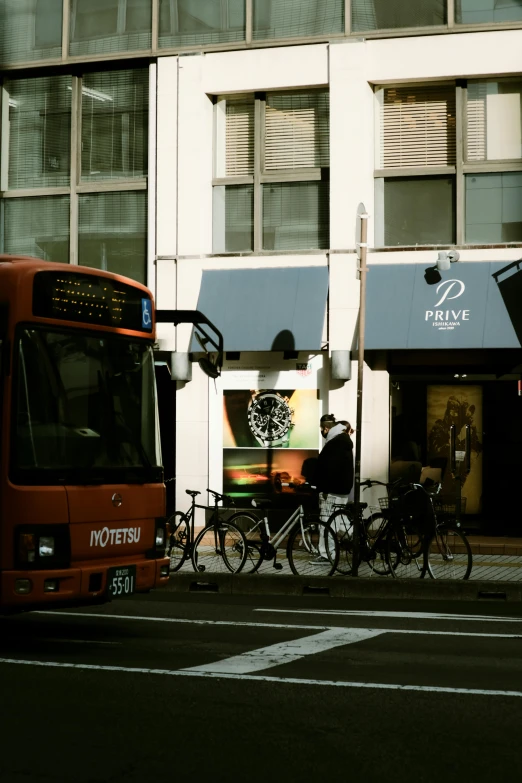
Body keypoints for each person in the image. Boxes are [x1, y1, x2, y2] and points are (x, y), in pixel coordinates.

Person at [315, 417, 354, 560]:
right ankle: (360, 540)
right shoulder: (343, 441)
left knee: (326, 523)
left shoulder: (334, 443)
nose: (322, 433)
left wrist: (323, 488)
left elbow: (329, 469)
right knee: (340, 522)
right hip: (342, 490)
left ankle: (326, 554)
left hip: (330, 491)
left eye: (322, 430)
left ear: (326, 428)